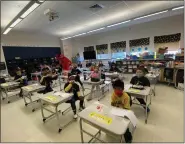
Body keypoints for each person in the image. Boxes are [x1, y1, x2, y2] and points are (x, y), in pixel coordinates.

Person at [111, 79, 132, 143]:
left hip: (125, 111)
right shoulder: (113, 94)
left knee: (125, 126)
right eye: (115, 89)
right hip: (116, 110)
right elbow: (112, 104)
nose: (117, 90)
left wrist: (120, 111)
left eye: (119, 89)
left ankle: (128, 138)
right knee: (112, 120)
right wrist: (115, 107)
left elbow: (126, 109)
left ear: (122, 89)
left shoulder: (126, 97)